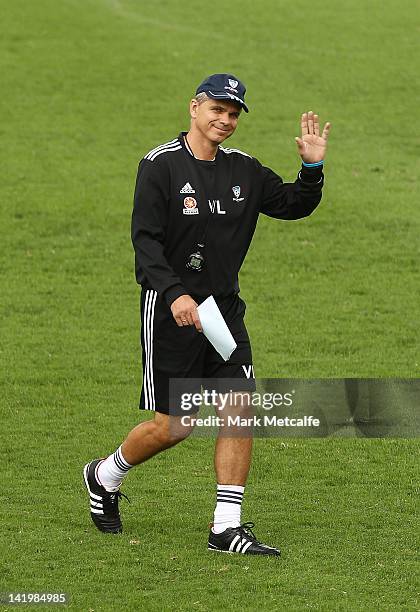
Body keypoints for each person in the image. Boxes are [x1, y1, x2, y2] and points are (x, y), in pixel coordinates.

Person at [83, 73, 331, 556]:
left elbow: (293, 204)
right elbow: (146, 241)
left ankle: (225, 527)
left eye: (234, 113)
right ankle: (104, 475)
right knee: (175, 425)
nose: (225, 119)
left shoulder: (245, 171)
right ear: (194, 107)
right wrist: (174, 293)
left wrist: (311, 168)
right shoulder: (160, 167)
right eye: (218, 108)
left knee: (239, 408)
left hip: (224, 313)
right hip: (171, 309)